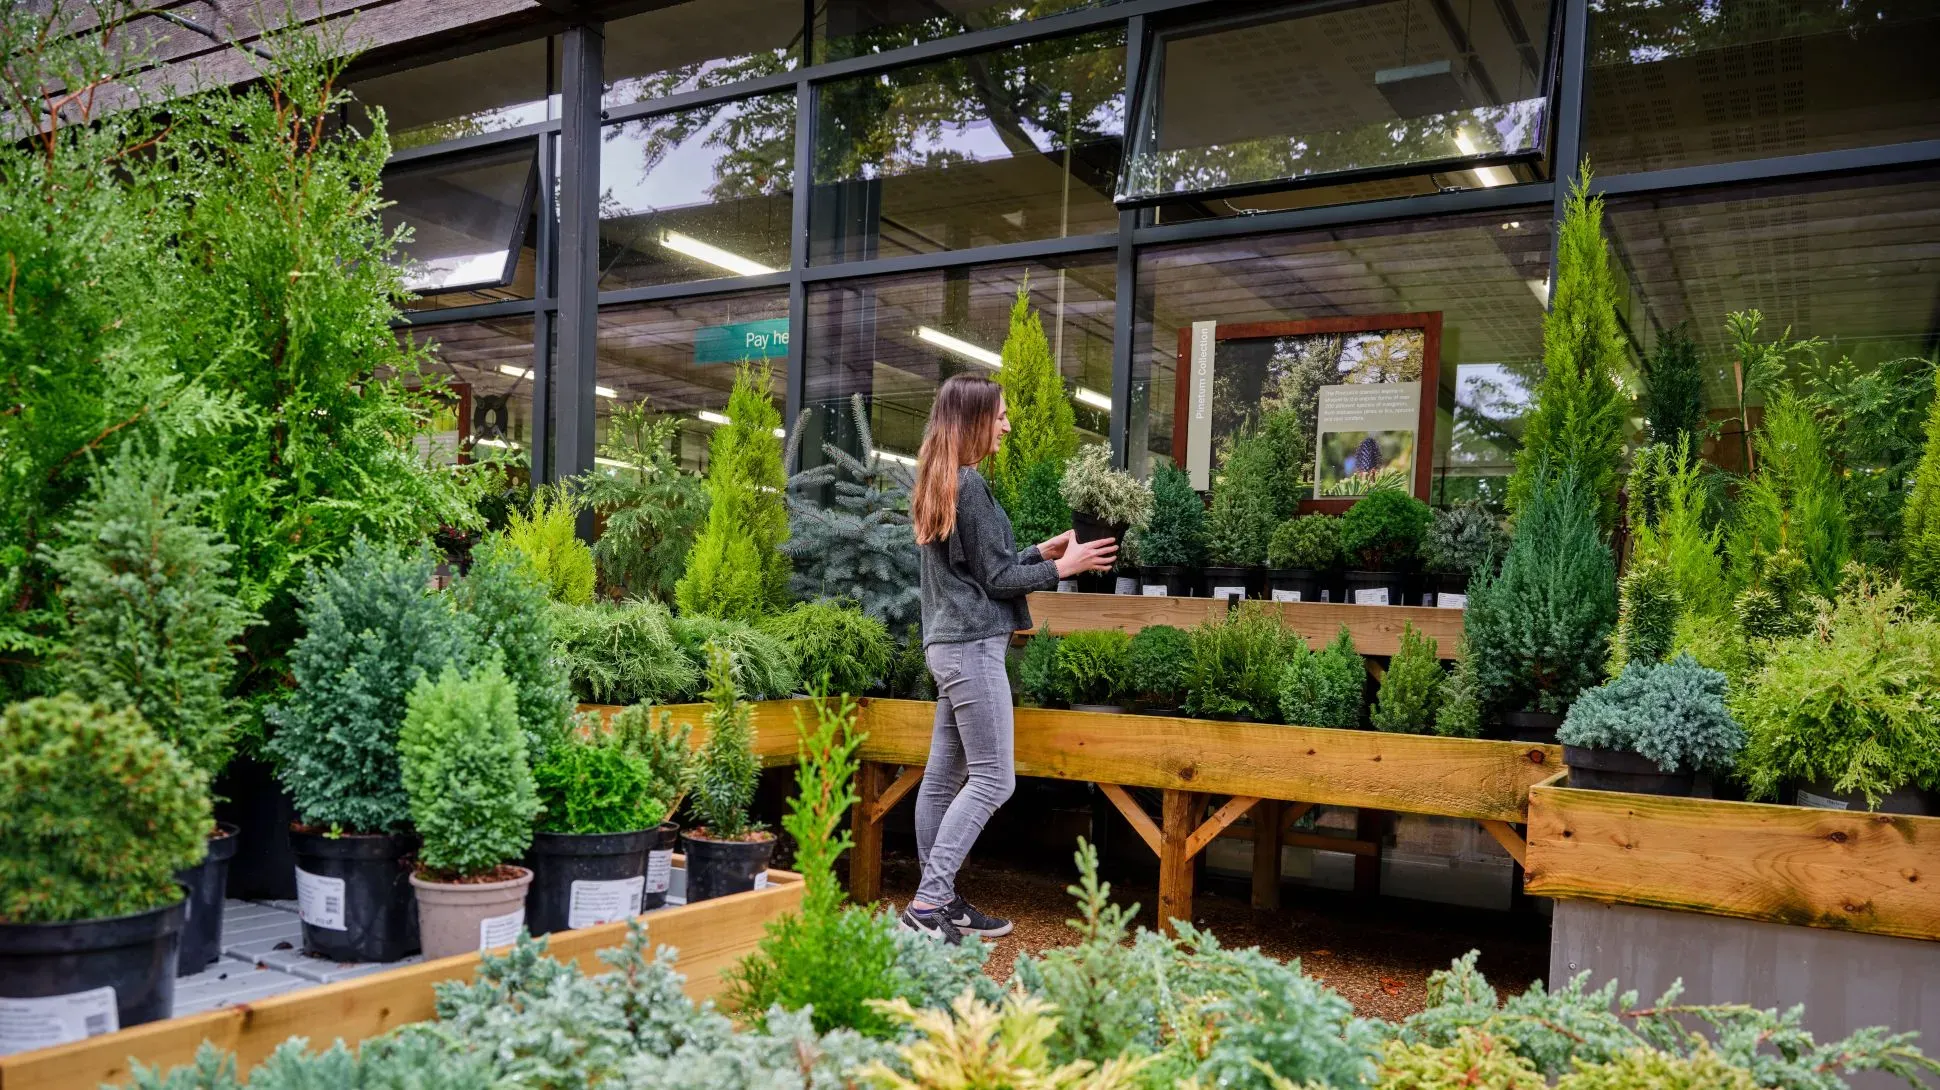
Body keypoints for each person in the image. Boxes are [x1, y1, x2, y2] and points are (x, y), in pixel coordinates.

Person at [902, 373, 1117, 942]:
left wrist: (1040, 552)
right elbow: (997, 580)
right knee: (995, 781)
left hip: (950, 644)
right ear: (973, 420)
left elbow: (982, 568)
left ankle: (938, 900)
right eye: (998, 415)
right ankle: (928, 904)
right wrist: (1063, 568)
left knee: (944, 778)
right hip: (971, 650)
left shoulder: (944, 477)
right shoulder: (967, 484)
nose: (1007, 424)